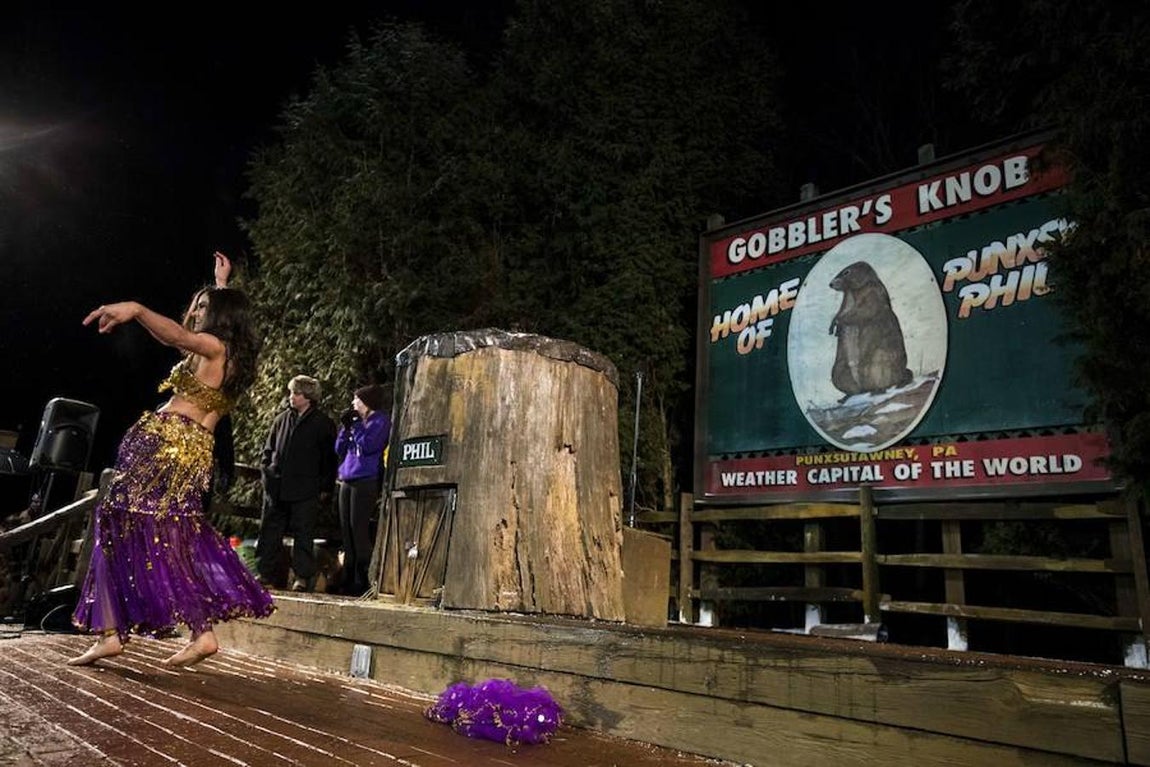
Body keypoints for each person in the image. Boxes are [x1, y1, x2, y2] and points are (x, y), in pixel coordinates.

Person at [69, 252, 274, 668]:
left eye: (204, 307)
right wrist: (219, 286)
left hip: (168, 444)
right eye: (195, 304)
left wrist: (137, 309)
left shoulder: (213, 347)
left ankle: (111, 631)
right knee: (173, 534)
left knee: (115, 520)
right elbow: (202, 328)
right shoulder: (230, 356)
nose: (195, 311)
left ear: (222, 317)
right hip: (191, 449)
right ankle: (199, 632)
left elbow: (176, 338)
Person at [256, 375, 336, 592]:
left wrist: (324, 488)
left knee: (303, 534)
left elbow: (329, 460)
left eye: (296, 393)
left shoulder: (323, 424)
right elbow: (268, 450)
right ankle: (265, 574)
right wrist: (267, 474)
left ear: (308, 397)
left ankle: (302, 577)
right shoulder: (281, 419)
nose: (291, 397)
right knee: (270, 532)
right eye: (291, 392)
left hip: (305, 489)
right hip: (276, 487)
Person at [335, 384, 391, 595]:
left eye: (357, 400)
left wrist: (357, 426)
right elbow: (339, 449)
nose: (353, 404)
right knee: (346, 531)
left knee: (358, 530)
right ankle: (347, 577)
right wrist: (346, 428)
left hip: (365, 479)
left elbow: (369, 445)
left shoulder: (380, 421)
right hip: (347, 478)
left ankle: (363, 578)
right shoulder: (356, 422)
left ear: (367, 403)